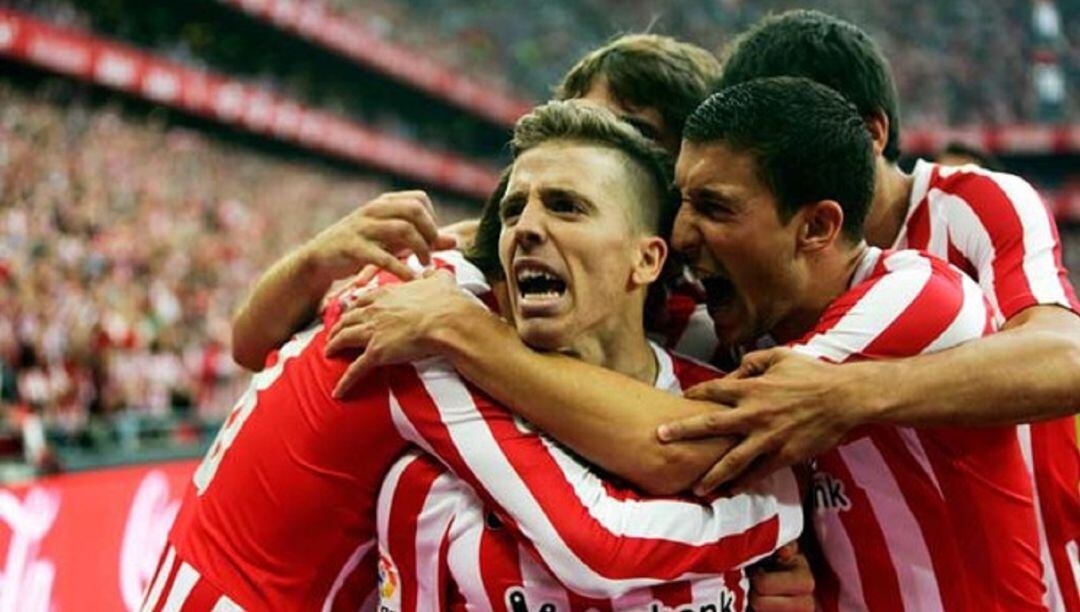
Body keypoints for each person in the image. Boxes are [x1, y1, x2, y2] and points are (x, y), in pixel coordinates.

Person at [330, 77, 1049, 610]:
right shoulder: (730, 330)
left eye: (714, 207)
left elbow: (675, 447)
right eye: (679, 202)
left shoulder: (914, 293)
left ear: (818, 227)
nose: (681, 237)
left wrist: (464, 330)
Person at [143, 101, 801, 611]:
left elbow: (248, 343)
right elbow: (606, 537)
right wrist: (774, 510)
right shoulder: (423, 324)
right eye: (514, 206)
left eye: (567, 203)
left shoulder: (446, 297)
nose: (528, 226)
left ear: (649, 252)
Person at [649, 11, 1077, 609]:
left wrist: (845, 394)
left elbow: (1067, 358)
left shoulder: (967, 214)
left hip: (1039, 577)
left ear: (869, 133)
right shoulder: (762, 285)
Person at [229, 33, 722, 372]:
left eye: (633, 135)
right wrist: (314, 261)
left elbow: (662, 450)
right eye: (584, 124)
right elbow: (251, 347)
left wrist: (469, 337)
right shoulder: (470, 260)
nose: (595, 150)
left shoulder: (707, 329)